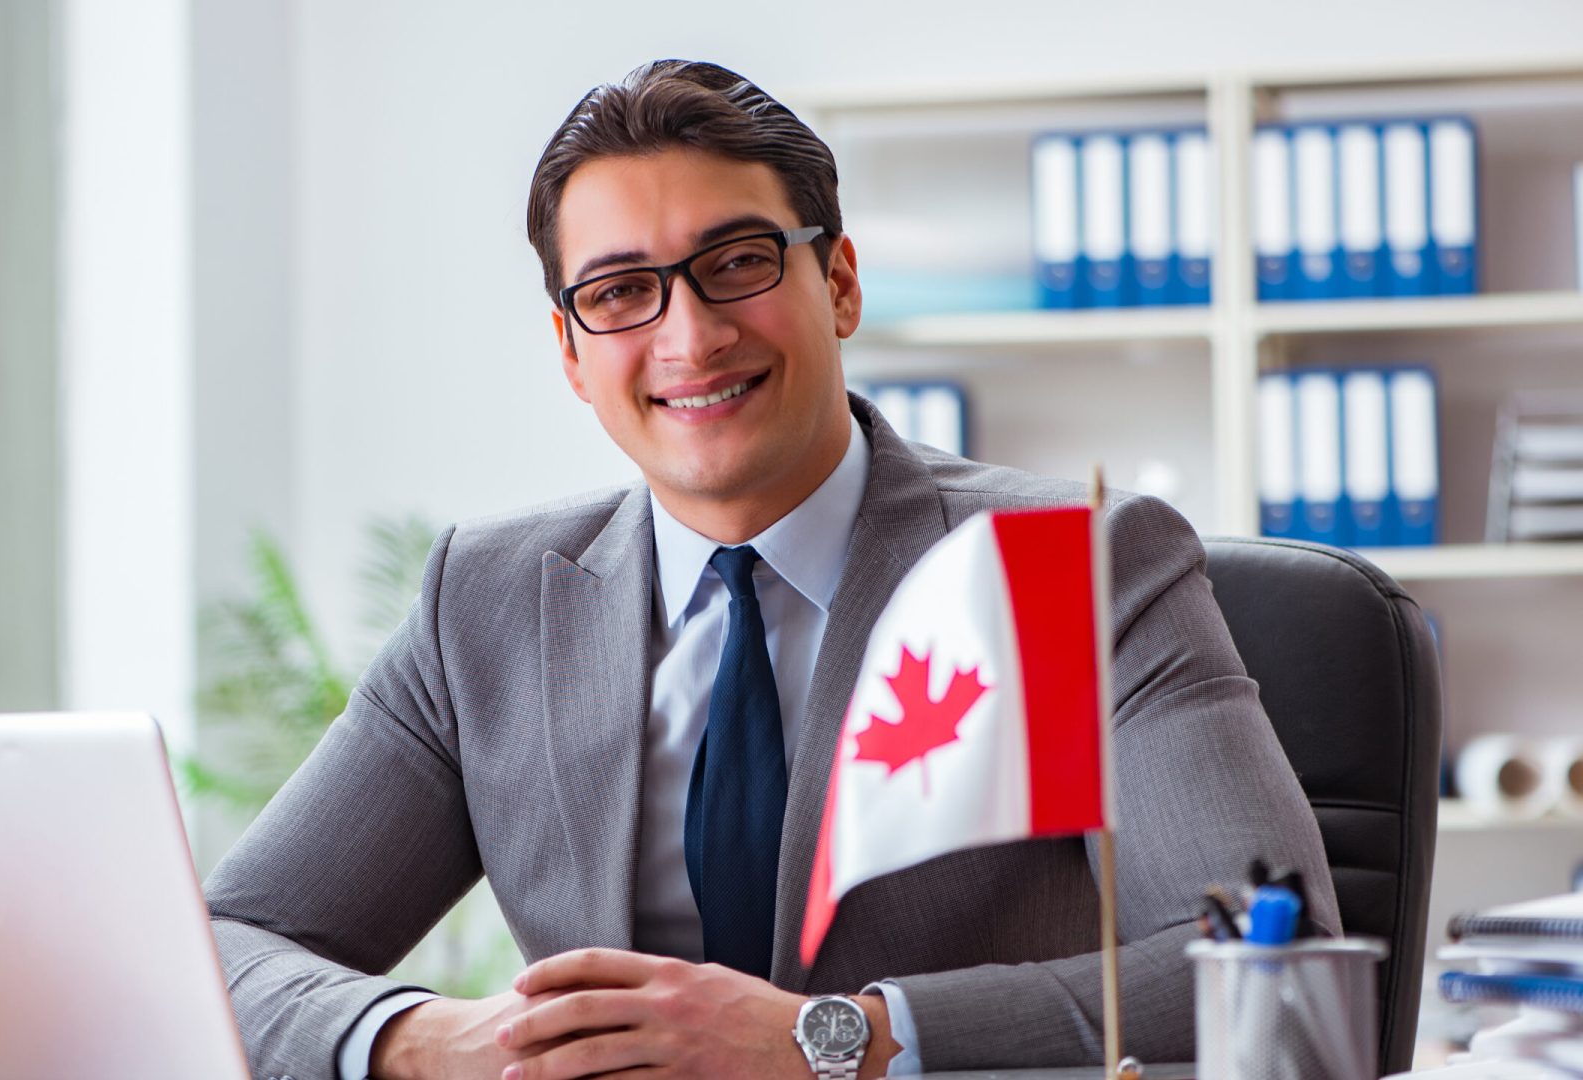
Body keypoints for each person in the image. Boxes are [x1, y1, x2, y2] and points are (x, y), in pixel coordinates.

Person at [205, 59, 1338, 1080]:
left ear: (839, 283)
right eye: (618, 293)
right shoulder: (489, 602)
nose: (690, 338)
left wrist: (842, 1037)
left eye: (737, 263)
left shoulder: (1063, 564)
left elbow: (1272, 955)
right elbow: (229, 944)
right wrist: (426, 1040)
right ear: (571, 351)